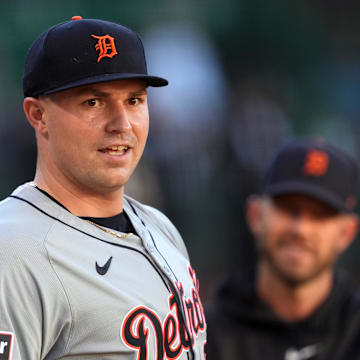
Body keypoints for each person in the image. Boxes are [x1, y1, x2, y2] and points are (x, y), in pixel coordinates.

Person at [0, 16, 206, 360]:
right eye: (93, 102)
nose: (121, 124)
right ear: (38, 115)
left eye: (134, 101)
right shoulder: (14, 253)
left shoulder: (159, 226)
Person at [205, 137, 360, 360]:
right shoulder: (203, 336)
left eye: (320, 214)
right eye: (288, 209)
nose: (301, 229)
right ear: (255, 215)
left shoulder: (354, 331)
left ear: (347, 233)